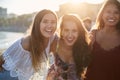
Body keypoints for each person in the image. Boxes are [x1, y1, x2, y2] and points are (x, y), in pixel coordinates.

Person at [0, 9, 57, 80]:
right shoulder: (26, 42)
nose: (50, 25)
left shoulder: (52, 38)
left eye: (53, 22)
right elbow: (2, 58)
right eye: (45, 21)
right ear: (38, 24)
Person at [46, 14, 91, 80]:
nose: (70, 35)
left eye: (74, 31)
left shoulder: (83, 48)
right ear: (61, 31)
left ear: (79, 33)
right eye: (66, 30)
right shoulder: (54, 43)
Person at [85, 0, 120, 80]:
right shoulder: (93, 34)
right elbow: (82, 60)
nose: (112, 16)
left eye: (116, 12)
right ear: (102, 14)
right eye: (108, 12)